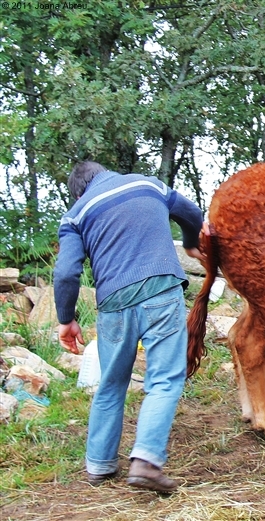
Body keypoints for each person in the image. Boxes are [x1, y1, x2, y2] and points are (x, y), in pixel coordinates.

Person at [54, 161, 205, 493]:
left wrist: (66, 319)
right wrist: (191, 241)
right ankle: (146, 462)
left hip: (113, 303)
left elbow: (66, 272)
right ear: (104, 172)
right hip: (161, 291)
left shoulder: (75, 214)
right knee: (164, 379)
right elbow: (192, 213)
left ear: (78, 191)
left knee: (111, 383)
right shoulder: (148, 184)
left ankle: (99, 464)